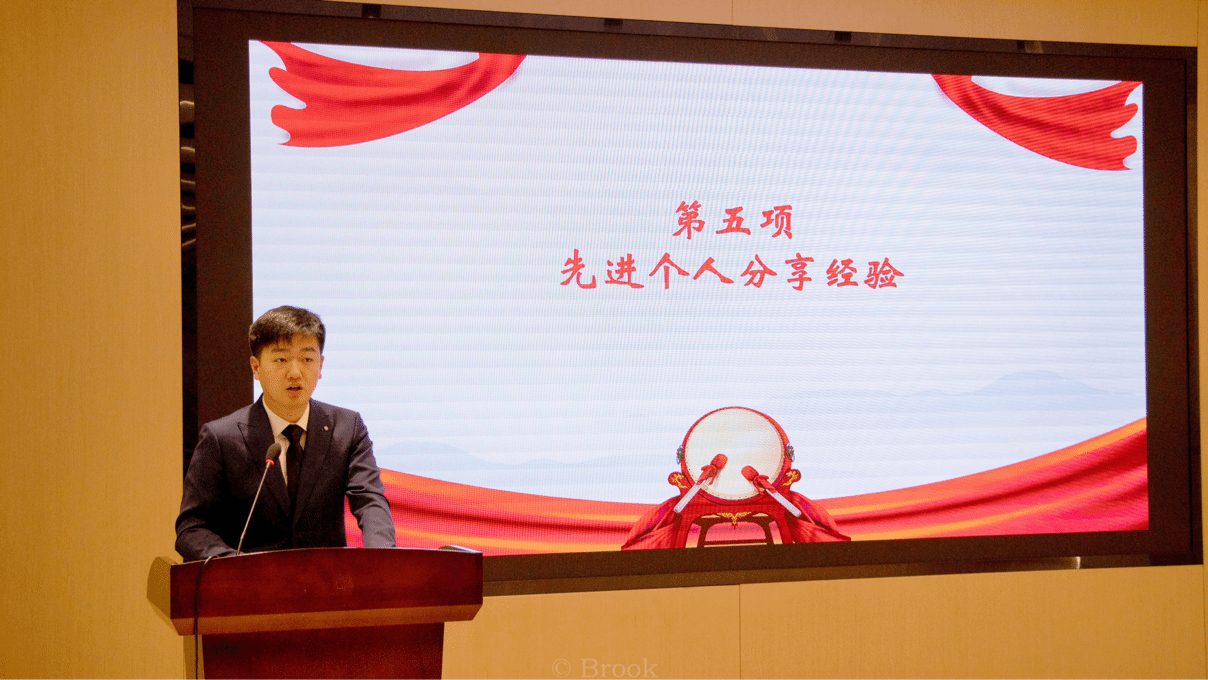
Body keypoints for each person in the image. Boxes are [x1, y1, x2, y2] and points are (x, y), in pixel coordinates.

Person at [175, 306, 396, 561]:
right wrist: (236, 568)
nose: (295, 373)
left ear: (321, 365)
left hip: (327, 580)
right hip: (252, 581)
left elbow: (370, 501)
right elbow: (192, 528)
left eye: (307, 359)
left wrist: (383, 558)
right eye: (281, 360)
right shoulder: (221, 438)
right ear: (256, 367)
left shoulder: (347, 428)